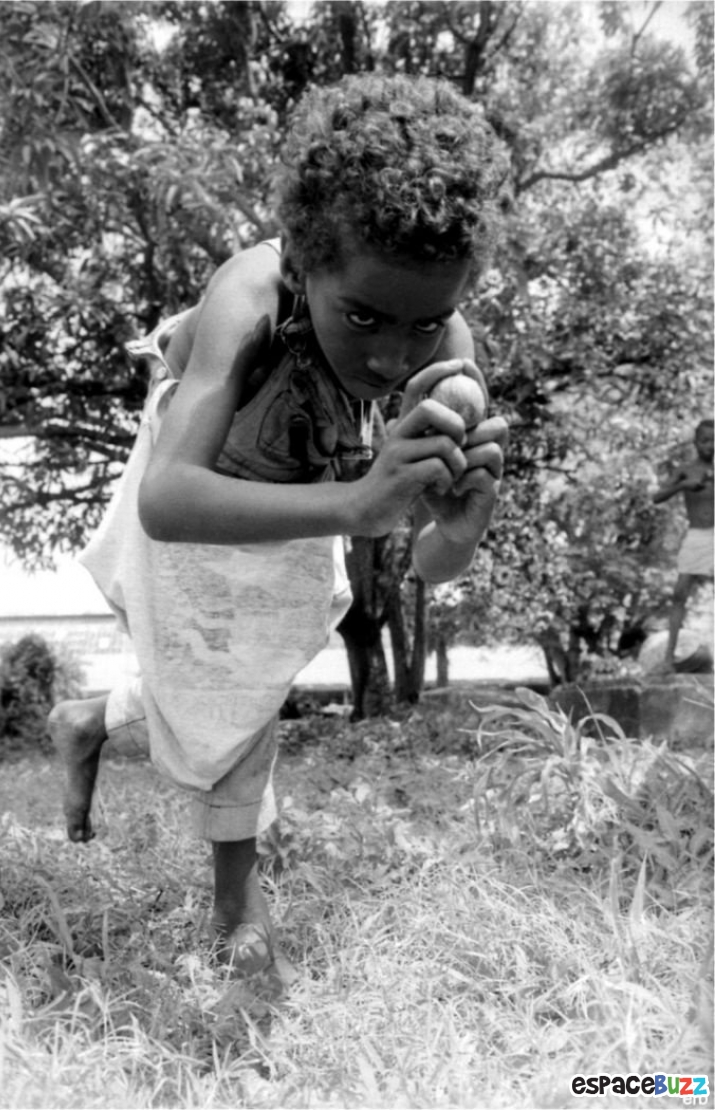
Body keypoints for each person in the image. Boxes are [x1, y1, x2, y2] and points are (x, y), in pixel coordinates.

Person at [48, 73, 510, 981]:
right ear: (304, 266)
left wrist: (465, 524)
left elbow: (431, 560)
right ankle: (237, 905)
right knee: (235, 695)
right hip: (198, 484)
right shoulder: (253, 292)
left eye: (427, 322)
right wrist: (353, 504)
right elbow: (169, 498)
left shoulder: (451, 359)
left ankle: (89, 719)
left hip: (296, 498)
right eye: (364, 315)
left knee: (240, 678)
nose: (391, 356)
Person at [652, 418, 714, 671]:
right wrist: (682, 486)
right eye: (705, 440)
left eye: (714, 441)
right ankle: (669, 658)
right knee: (679, 594)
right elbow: (656, 497)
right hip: (697, 535)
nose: (710, 446)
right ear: (696, 442)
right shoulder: (686, 469)